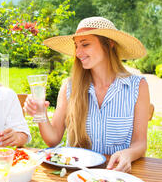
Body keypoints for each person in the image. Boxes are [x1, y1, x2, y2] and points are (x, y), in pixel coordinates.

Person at [23, 17, 150, 172]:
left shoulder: (137, 86)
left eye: (85, 44)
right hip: (76, 174)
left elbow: (140, 143)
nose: (78, 52)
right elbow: (53, 139)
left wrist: (128, 154)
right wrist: (40, 114)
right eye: (76, 46)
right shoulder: (69, 87)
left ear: (109, 44)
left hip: (116, 175)